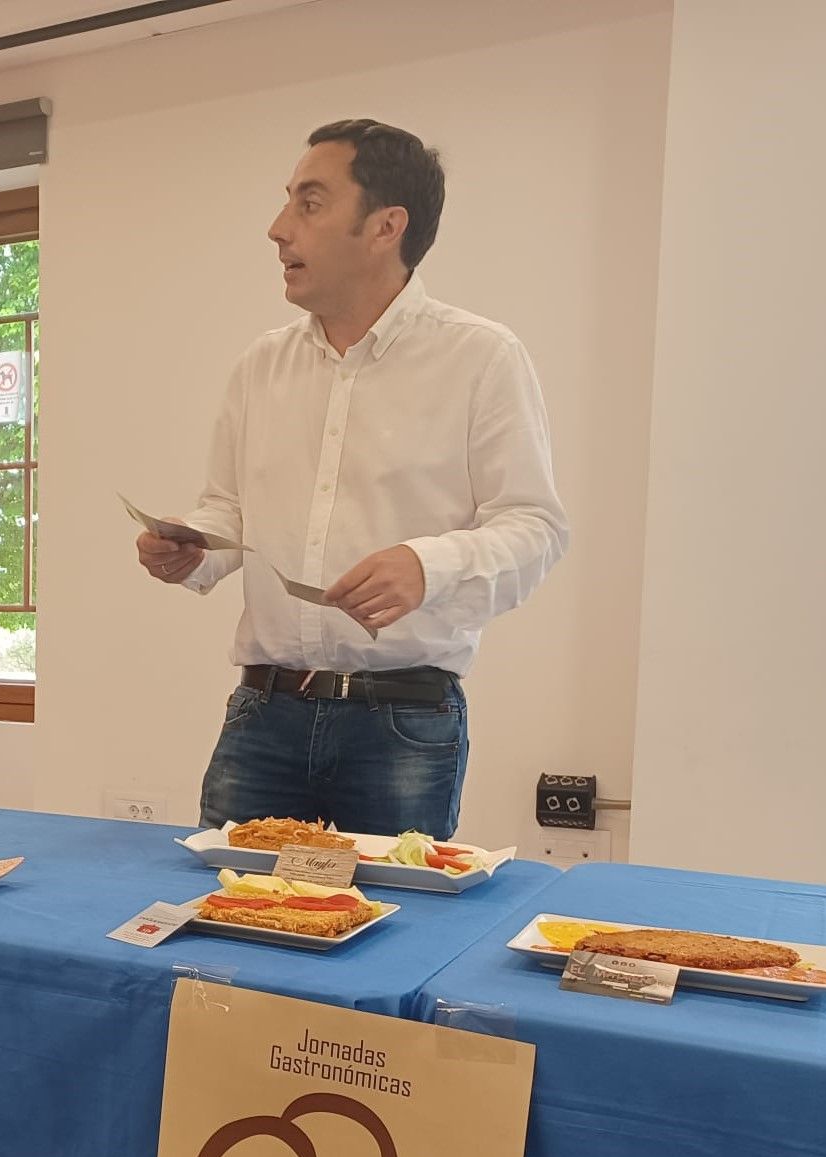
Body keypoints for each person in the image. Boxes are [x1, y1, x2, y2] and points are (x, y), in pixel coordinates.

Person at [137, 119, 569, 837]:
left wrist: (427, 564)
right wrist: (193, 550)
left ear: (384, 226)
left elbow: (536, 528)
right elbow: (229, 512)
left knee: (390, 932)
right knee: (231, 926)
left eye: (309, 203)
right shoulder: (261, 365)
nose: (278, 229)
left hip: (400, 723)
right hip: (262, 714)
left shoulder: (481, 358)